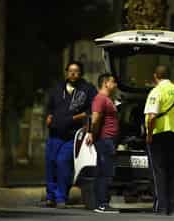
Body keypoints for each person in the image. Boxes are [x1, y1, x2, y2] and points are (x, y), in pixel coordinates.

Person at [45, 61, 97, 208]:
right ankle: (50, 196)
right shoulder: (57, 88)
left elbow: (93, 110)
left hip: (71, 136)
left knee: (63, 164)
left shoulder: (87, 89)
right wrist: (48, 116)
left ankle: (61, 197)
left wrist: (80, 119)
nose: (73, 73)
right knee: (51, 164)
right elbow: (49, 107)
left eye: (76, 71)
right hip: (54, 133)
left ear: (81, 73)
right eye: (70, 71)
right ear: (66, 72)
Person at [144, 65, 174, 216]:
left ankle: (161, 207)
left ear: (156, 76)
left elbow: (152, 116)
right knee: (172, 172)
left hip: (159, 134)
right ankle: (172, 208)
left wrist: (149, 134)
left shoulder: (156, 91)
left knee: (159, 172)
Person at [86, 73, 120, 213]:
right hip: (105, 140)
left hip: (107, 139)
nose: (115, 85)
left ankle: (98, 203)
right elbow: (94, 119)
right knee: (105, 172)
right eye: (113, 82)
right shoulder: (100, 99)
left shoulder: (107, 99)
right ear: (106, 83)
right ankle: (102, 203)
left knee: (102, 171)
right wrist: (92, 133)